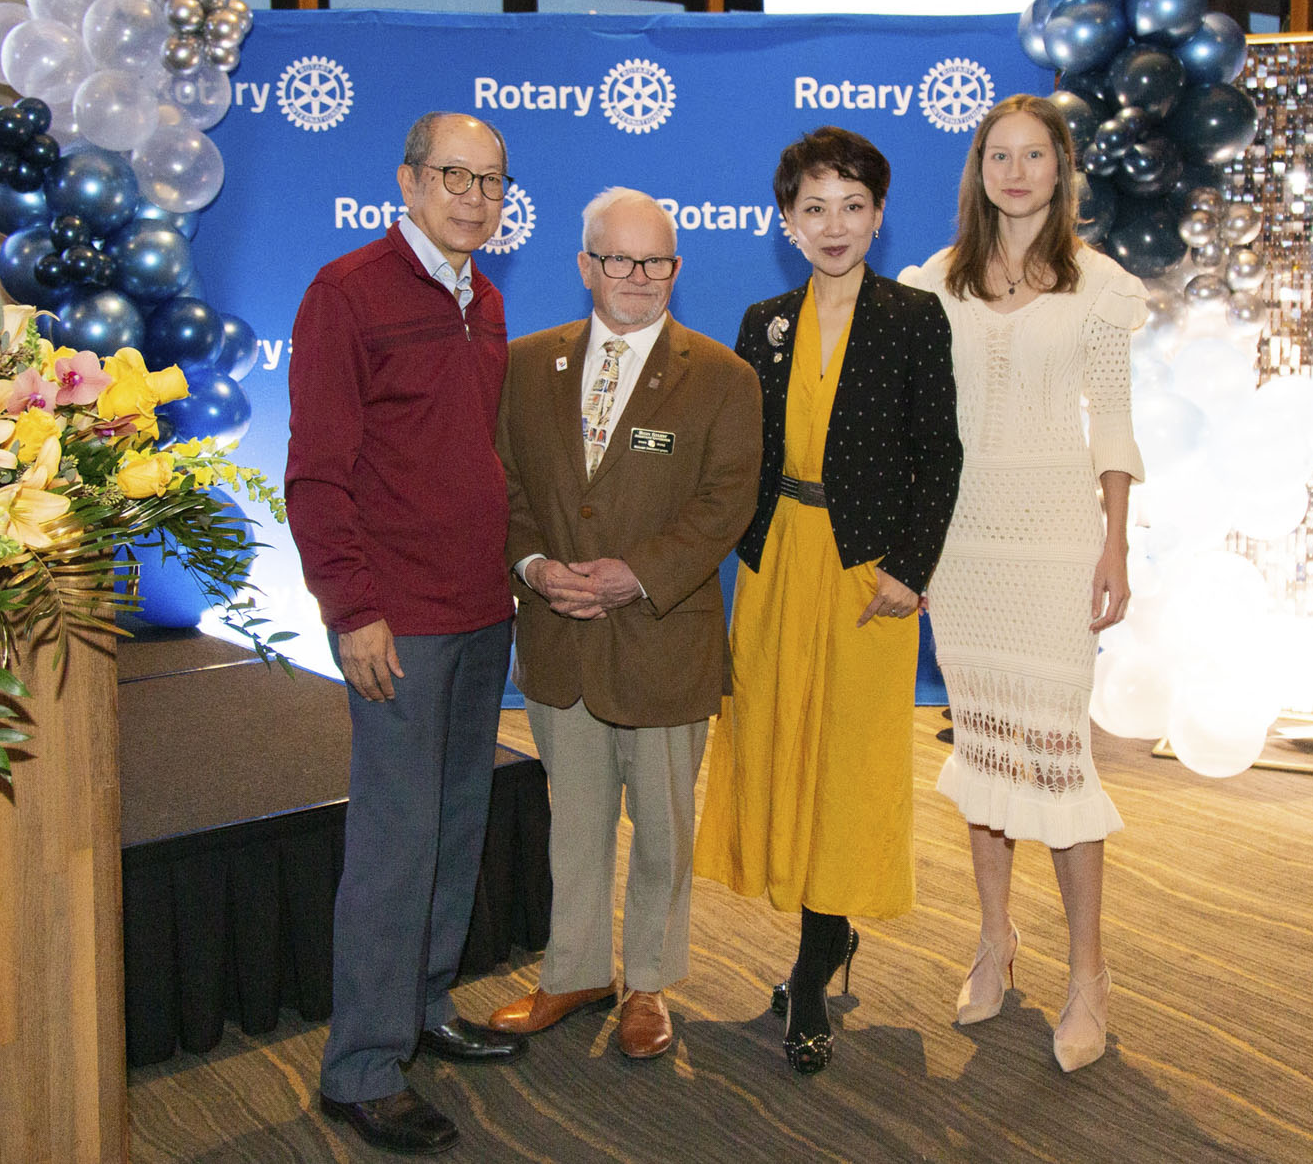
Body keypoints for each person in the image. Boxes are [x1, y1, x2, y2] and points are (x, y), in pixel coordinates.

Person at [694, 126, 963, 1076]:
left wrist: (911, 570)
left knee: (846, 761)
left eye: (853, 205)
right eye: (815, 207)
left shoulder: (913, 317)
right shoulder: (763, 322)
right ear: (788, 222)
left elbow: (941, 456)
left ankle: (814, 963)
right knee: (777, 741)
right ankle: (821, 930)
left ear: (879, 216)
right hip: (776, 564)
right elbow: (738, 454)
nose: (835, 223)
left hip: (865, 574)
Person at [285, 110, 527, 1156]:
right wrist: (351, 609)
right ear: (409, 181)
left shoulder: (487, 300)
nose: (473, 198)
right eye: (453, 176)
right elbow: (315, 472)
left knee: (455, 825)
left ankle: (423, 1007)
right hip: (398, 623)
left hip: (480, 612)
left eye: (491, 182)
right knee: (394, 843)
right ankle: (363, 1067)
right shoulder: (346, 292)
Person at [898, 94, 1146, 1073]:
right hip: (963, 547)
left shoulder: (1099, 286)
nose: (1014, 172)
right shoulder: (935, 282)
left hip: (1053, 542)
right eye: (996, 155)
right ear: (978, 171)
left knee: (1058, 758)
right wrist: (912, 545)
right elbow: (921, 425)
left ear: (1059, 167)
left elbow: (1113, 423)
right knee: (985, 747)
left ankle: (1089, 973)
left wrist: (1115, 544)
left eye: (1032, 154)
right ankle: (993, 936)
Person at [486, 188, 763, 1060]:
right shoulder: (524, 365)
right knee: (573, 825)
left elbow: (726, 503)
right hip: (558, 635)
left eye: (657, 262)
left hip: (664, 637)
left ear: (676, 268)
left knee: (663, 829)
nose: (639, 277)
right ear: (585, 265)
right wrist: (534, 565)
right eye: (620, 259)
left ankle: (648, 982)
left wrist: (634, 576)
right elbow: (503, 484)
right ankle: (572, 971)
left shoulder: (723, 376)